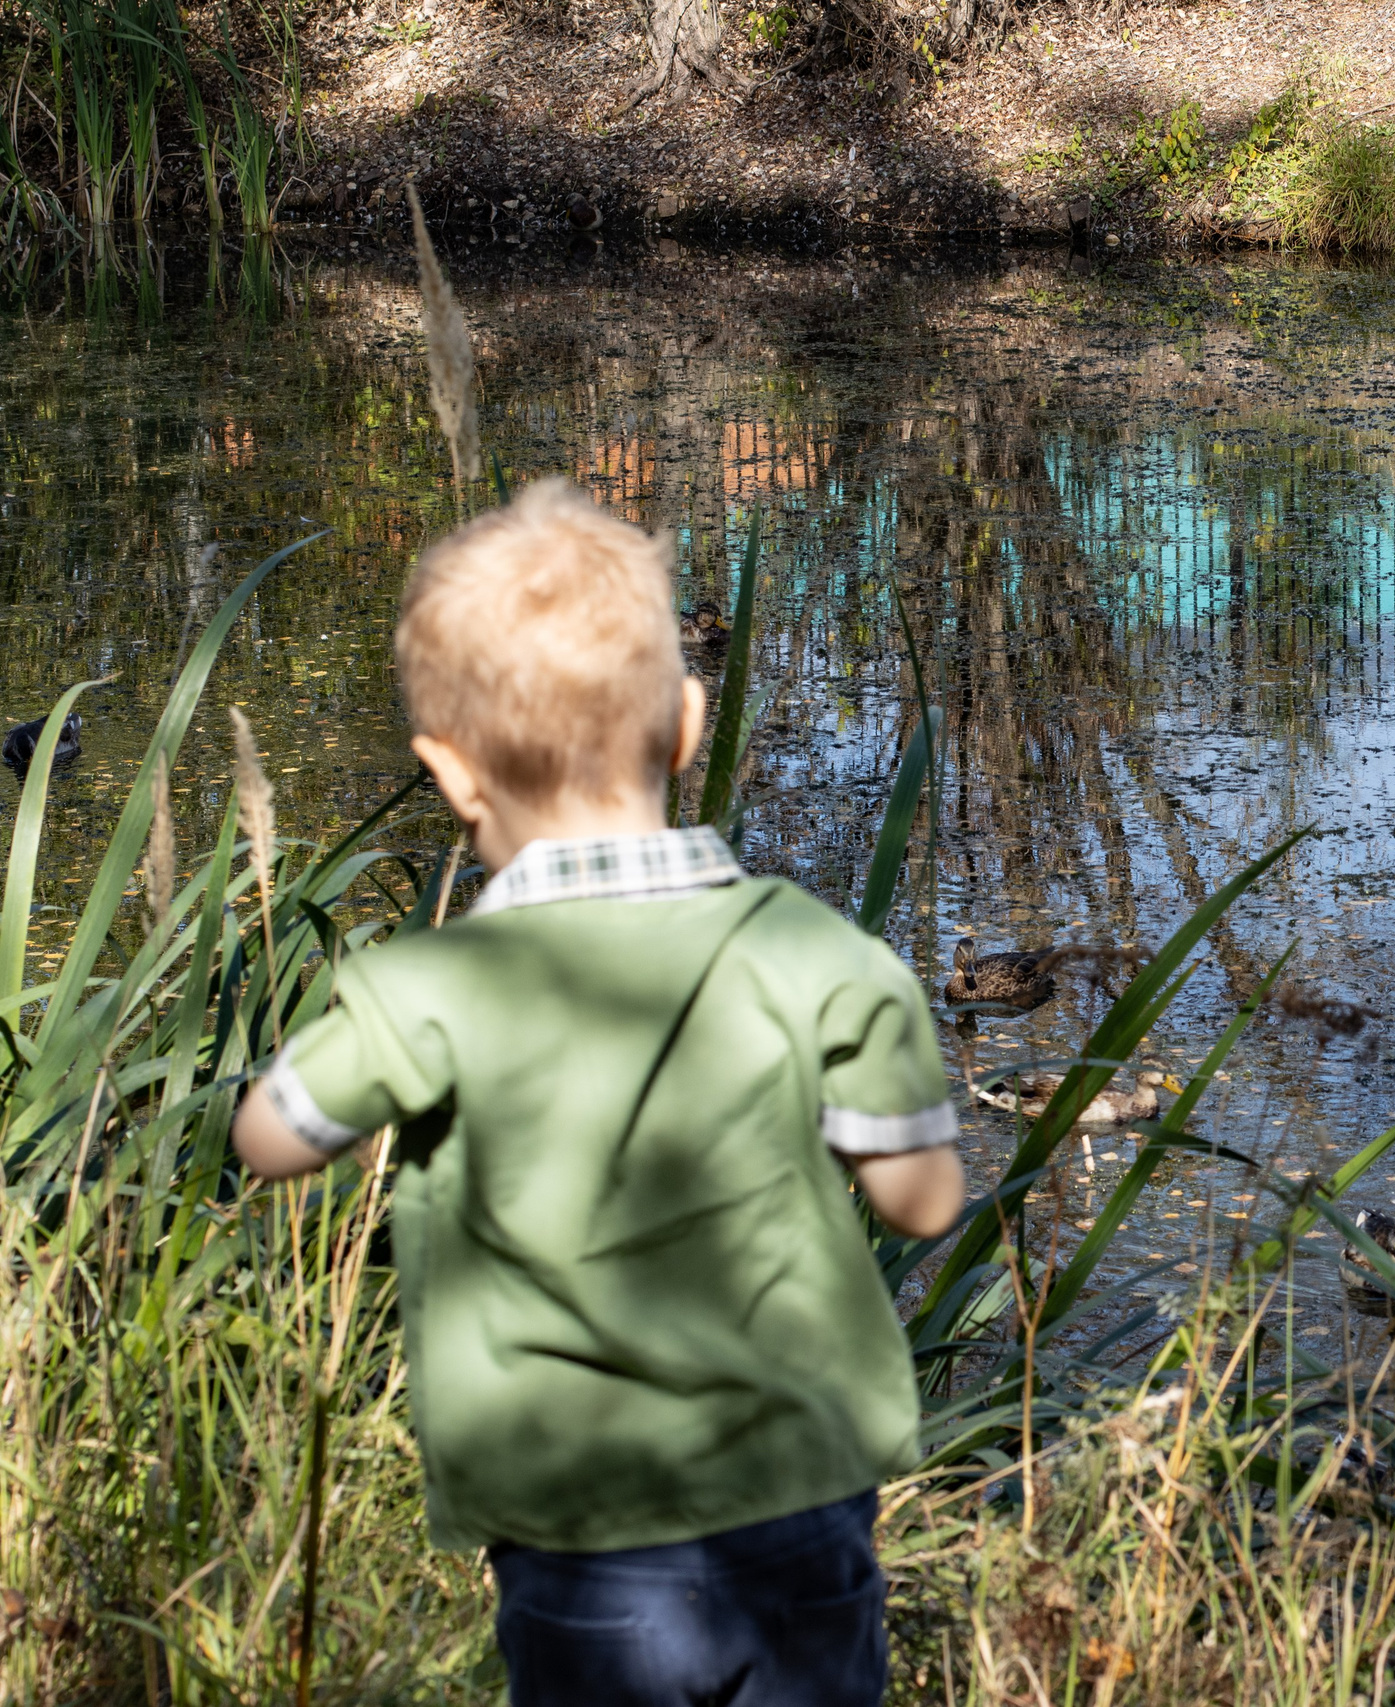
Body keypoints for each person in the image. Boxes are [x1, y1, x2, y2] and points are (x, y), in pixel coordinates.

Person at [231, 479, 964, 1707]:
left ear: (448, 775)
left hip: (576, 1527)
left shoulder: (432, 989)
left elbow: (269, 1139)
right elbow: (925, 1205)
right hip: (800, 1501)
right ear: (684, 724)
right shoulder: (819, 954)